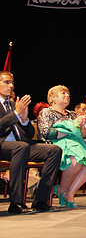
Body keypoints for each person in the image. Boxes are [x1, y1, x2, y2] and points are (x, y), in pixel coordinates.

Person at [0, 71, 62, 214]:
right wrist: (15, 114)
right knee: (20, 147)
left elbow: (28, 133)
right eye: (6, 82)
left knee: (54, 150)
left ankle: (40, 200)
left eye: (12, 83)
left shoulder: (14, 104)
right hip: (3, 145)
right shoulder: (15, 108)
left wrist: (24, 119)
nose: (10, 86)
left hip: (22, 146)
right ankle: (16, 203)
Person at [37, 85, 86, 208]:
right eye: (63, 93)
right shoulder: (46, 112)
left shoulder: (72, 114)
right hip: (54, 146)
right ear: (53, 97)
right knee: (75, 160)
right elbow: (46, 133)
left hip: (75, 145)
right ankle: (62, 191)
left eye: (68, 94)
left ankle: (69, 192)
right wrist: (72, 128)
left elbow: (85, 135)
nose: (67, 96)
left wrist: (80, 126)